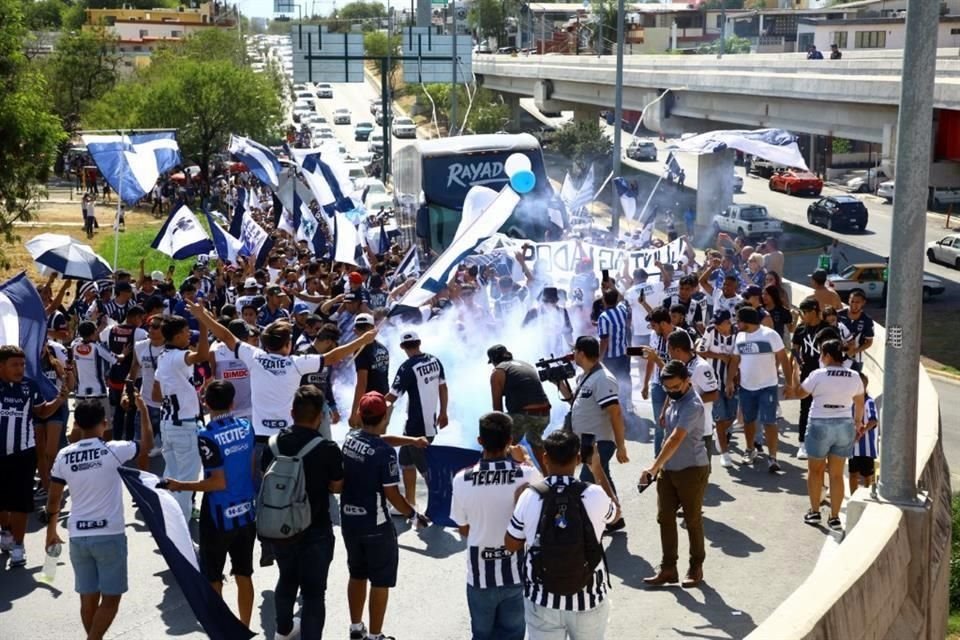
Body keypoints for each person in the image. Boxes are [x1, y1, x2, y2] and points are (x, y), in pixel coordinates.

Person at [45, 395, 153, 640]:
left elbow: (53, 500)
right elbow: (147, 444)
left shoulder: (64, 455)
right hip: (109, 536)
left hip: (77, 537)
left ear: (78, 425)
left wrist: (52, 531)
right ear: (105, 423)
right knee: (112, 598)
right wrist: (143, 410)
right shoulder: (114, 449)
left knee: (88, 597)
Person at [504, 430, 618, 639]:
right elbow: (615, 514)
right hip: (588, 599)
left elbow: (511, 544)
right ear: (578, 459)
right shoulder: (594, 493)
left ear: (545, 458)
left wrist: (517, 506)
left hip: (542, 599)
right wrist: (598, 469)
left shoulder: (530, 496)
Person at [162, 381, 256, 627]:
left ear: (205, 403)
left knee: (213, 577)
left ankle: (221, 630)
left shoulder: (206, 436)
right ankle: (244, 628)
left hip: (218, 516)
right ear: (233, 403)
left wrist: (180, 485)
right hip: (246, 512)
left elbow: (216, 482)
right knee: (244, 573)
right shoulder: (247, 427)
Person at [341, 392, 428, 640]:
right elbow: (392, 494)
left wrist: (411, 440)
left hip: (350, 522)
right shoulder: (385, 453)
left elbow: (379, 439)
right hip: (376, 525)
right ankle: (376, 636)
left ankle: (356, 629)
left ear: (360, 414)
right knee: (380, 581)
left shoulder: (350, 438)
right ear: (385, 417)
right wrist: (413, 515)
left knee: (356, 574)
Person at [261, 386, 345, 640]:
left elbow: (264, 476)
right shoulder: (328, 448)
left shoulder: (273, 444)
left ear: (291, 412)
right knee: (313, 593)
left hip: (281, 526)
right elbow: (337, 486)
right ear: (320, 416)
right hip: (316, 528)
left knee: (286, 578)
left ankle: (283, 630)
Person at [450, 412, 540, 640]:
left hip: (479, 577)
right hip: (516, 575)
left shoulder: (462, 479)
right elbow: (547, 492)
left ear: (480, 441)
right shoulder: (527, 475)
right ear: (511, 441)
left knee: (481, 634)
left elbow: (463, 528)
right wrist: (526, 459)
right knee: (513, 634)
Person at [0, 345, 73, 567]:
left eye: (22, 364)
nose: (20, 368)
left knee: (21, 503)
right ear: (1, 366)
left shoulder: (29, 386)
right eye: (15, 364)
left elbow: (41, 411)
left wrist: (61, 399)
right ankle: (5, 531)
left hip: (23, 453)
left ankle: (19, 546)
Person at [640, 359, 709, 588]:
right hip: (669, 469)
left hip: (691, 469)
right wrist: (664, 411)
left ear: (688, 381)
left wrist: (653, 467)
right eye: (667, 388)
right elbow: (670, 402)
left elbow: (675, 438)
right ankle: (668, 568)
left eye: (675, 387)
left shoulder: (693, 405)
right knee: (665, 518)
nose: (671, 392)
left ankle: (696, 567)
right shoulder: (675, 396)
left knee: (692, 519)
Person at [788, 340, 864, 531]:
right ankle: (835, 517)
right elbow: (860, 403)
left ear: (828, 355)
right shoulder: (854, 376)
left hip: (819, 423)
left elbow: (799, 394)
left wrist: (795, 374)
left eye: (822, 354)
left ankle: (814, 512)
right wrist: (857, 423)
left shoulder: (818, 375)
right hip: (844, 425)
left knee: (815, 471)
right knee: (837, 475)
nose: (820, 357)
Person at [559, 335, 628, 533]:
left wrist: (621, 445)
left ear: (582, 353)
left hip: (599, 441)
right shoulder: (586, 375)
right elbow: (575, 402)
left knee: (586, 482)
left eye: (575, 352)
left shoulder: (603, 378)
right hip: (587, 439)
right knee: (602, 477)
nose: (573, 355)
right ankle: (615, 519)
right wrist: (559, 384)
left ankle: (589, 524)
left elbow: (615, 412)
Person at [384, 331, 448, 511]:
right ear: (419, 343)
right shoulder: (435, 360)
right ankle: (410, 502)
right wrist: (443, 412)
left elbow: (391, 397)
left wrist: (370, 406)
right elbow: (443, 387)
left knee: (427, 471)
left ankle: (438, 507)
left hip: (416, 426)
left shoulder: (407, 367)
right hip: (429, 423)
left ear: (402, 347)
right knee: (405, 462)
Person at [155, 313, 208, 523]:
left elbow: (156, 392)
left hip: (168, 423)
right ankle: (181, 537)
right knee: (185, 485)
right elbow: (202, 355)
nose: (189, 337)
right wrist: (204, 326)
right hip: (183, 427)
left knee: (171, 479)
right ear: (176, 336)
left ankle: (168, 525)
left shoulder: (163, 355)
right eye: (186, 332)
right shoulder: (178, 356)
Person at [727, 306, 793, 473]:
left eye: (738, 320)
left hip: (767, 386)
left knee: (769, 422)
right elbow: (735, 360)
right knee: (748, 421)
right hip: (746, 387)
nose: (736, 323)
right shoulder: (740, 336)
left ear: (746, 321)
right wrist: (729, 381)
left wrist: (789, 384)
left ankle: (772, 457)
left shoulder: (770, 335)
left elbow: (784, 359)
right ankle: (750, 450)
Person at [487, 344, 552, 467]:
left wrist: (499, 434)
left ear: (494, 361)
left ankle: (504, 474)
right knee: (535, 442)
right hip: (544, 413)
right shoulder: (526, 365)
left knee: (502, 444)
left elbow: (497, 411)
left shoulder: (498, 372)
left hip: (523, 415)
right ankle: (548, 476)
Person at [791, 297, 831, 461]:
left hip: (824, 374)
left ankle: (825, 443)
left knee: (825, 407)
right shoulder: (801, 329)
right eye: (802, 312)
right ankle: (803, 443)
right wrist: (799, 362)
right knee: (805, 407)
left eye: (806, 312)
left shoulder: (828, 329)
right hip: (807, 372)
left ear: (815, 311)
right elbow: (794, 349)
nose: (803, 315)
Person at [697, 310, 738, 468]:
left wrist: (730, 381)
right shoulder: (711, 331)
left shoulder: (737, 334)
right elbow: (700, 351)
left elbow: (736, 358)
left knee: (732, 415)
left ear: (728, 322)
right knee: (720, 417)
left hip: (732, 380)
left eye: (720, 324)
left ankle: (719, 431)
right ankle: (725, 453)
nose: (717, 327)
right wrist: (719, 356)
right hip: (712, 381)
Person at [349, 313, 391, 426]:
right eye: (360, 328)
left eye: (364, 327)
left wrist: (355, 412)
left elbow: (362, 383)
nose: (363, 331)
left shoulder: (360, 350)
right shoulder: (383, 348)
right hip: (383, 400)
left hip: (369, 405)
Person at [848, 372, 878, 494]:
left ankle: (868, 494)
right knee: (852, 473)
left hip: (866, 448)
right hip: (852, 446)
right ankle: (853, 496)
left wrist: (861, 431)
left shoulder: (869, 402)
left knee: (867, 475)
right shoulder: (850, 401)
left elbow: (873, 420)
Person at [837, 289, 875, 371]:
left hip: (856, 360)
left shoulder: (867, 320)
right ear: (848, 301)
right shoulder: (838, 315)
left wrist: (854, 352)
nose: (854, 304)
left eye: (857, 302)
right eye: (852, 301)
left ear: (863, 303)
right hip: (837, 357)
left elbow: (869, 342)